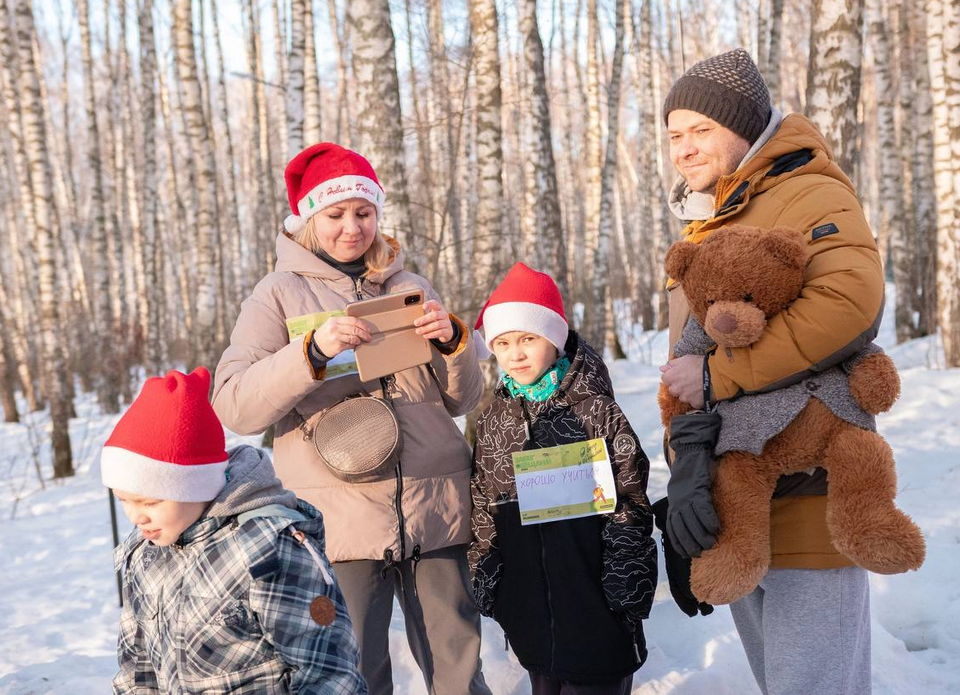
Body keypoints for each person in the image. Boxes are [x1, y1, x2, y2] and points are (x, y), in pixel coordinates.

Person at [212, 142, 490, 694]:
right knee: (353, 667)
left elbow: (460, 402)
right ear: (308, 220)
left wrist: (457, 345)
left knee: (458, 662)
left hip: (434, 504)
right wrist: (309, 353)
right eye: (335, 215)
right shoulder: (277, 295)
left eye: (364, 213)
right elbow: (235, 404)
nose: (352, 228)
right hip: (338, 519)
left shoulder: (409, 286)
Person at [658, 48, 883, 694]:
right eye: (675, 135)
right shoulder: (717, 216)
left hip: (811, 489)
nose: (684, 149)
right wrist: (688, 479)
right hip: (738, 498)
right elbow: (689, 360)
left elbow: (850, 303)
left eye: (702, 129)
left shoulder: (806, 192)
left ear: (748, 125)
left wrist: (722, 379)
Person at [102, 367, 365, 694]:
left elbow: (328, 670)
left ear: (195, 485)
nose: (135, 517)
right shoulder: (146, 555)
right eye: (124, 500)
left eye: (150, 501)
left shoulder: (268, 547)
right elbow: (137, 669)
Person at [468, 262, 657, 695]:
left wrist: (625, 588)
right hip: (531, 616)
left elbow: (629, 501)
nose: (515, 354)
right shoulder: (496, 421)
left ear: (553, 338)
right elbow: (483, 508)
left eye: (528, 339)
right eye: (503, 343)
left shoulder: (595, 412)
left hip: (597, 609)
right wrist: (491, 585)